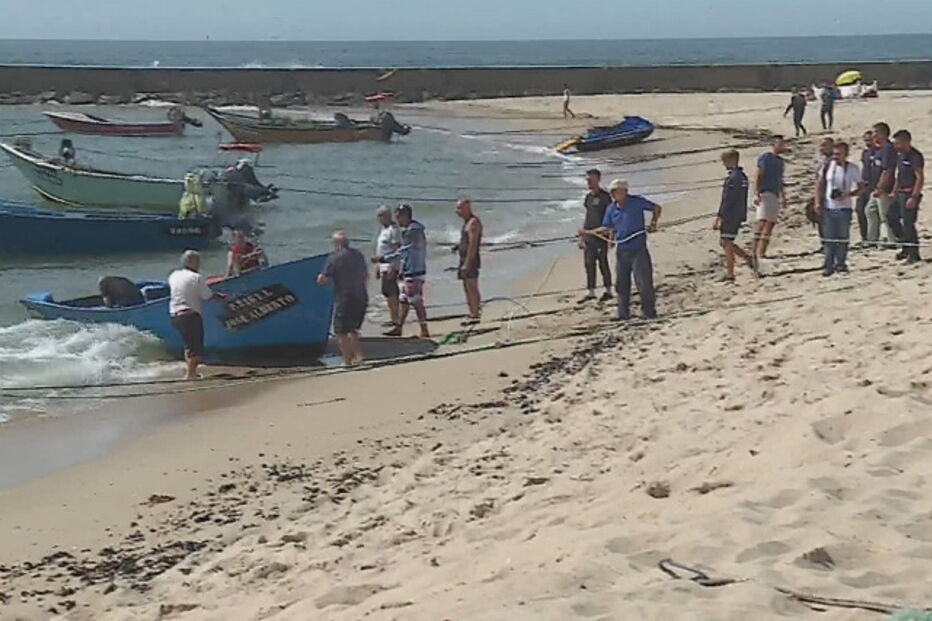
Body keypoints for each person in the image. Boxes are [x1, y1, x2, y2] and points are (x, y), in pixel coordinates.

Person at [586, 179, 661, 321]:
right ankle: (623, 314)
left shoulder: (636, 202)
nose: (615, 194)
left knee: (644, 282)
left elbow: (656, 208)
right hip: (622, 250)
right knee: (621, 284)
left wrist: (653, 223)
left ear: (624, 191)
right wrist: (589, 232)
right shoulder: (611, 208)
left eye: (617, 191)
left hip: (638, 248)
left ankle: (649, 312)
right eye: (613, 192)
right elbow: (607, 227)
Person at [168, 250, 228, 380]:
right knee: (196, 349)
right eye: (198, 261)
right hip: (190, 315)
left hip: (175, 316)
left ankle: (190, 372)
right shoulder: (197, 277)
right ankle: (190, 375)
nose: (199, 264)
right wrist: (221, 297)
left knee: (188, 345)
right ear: (192, 262)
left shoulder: (173, 275)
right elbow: (208, 296)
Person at [375, 204, 429, 338]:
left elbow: (405, 251)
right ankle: (399, 327)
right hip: (410, 269)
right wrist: (402, 268)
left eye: (399, 217)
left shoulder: (412, 231)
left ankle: (424, 329)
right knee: (404, 300)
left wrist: (385, 259)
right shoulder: (412, 229)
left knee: (416, 301)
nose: (398, 220)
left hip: (415, 271)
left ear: (405, 216)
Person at [317, 231, 368, 366]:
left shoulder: (334, 258)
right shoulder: (358, 255)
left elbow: (322, 279)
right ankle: (359, 356)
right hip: (361, 296)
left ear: (336, 244)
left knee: (341, 331)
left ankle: (347, 361)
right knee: (353, 329)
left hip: (345, 297)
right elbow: (365, 275)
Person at [816, 141, 861, 276]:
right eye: (834, 154)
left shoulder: (852, 168)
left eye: (839, 154)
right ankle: (828, 265)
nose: (836, 156)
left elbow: (861, 187)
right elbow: (819, 185)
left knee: (842, 238)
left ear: (846, 155)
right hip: (829, 207)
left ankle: (840, 263)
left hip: (844, 208)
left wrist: (848, 194)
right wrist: (817, 203)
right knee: (829, 238)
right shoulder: (827, 166)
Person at [714, 149, 752, 282]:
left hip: (730, 214)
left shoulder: (733, 179)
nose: (723, 164)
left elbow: (727, 200)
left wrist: (719, 217)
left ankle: (730, 273)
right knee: (726, 241)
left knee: (727, 242)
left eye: (724, 161)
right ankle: (747, 258)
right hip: (738, 213)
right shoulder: (743, 177)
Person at [752, 135, 787, 269]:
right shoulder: (766, 158)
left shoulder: (780, 161)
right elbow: (758, 175)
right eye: (780, 144)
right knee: (761, 222)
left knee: (770, 224)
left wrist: (783, 197)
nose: (782, 146)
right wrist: (756, 193)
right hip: (765, 192)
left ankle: (762, 251)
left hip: (775, 193)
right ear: (773, 144)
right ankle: (754, 251)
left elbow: (780, 180)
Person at [578, 168, 613, 302]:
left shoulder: (605, 197)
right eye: (587, 180)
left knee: (602, 263)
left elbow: (610, 217)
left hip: (601, 235)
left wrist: (611, 236)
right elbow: (587, 217)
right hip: (588, 235)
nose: (588, 182)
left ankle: (608, 290)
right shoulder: (588, 197)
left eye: (591, 180)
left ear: (597, 179)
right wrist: (581, 237)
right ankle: (590, 291)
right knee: (589, 264)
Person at [893, 130, 925, 264]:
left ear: (906, 141)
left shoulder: (915, 156)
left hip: (910, 193)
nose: (896, 146)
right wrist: (894, 191)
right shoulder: (900, 155)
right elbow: (899, 175)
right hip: (900, 192)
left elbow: (920, 177)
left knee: (908, 224)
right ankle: (905, 245)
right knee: (891, 217)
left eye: (898, 143)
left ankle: (914, 253)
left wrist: (914, 196)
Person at [866, 122, 898, 246]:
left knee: (885, 215)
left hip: (885, 188)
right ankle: (872, 239)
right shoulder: (879, 149)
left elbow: (888, 170)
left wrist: (881, 187)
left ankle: (892, 240)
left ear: (882, 133)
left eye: (875, 132)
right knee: (870, 211)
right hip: (875, 188)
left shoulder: (888, 149)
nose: (873, 135)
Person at [453, 199, 483, 325]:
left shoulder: (473, 223)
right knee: (466, 286)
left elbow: (473, 244)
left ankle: (475, 313)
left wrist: (467, 263)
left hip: (470, 259)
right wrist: (458, 246)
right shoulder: (466, 223)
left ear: (467, 208)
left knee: (471, 286)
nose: (457, 211)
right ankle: (472, 310)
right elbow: (465, 241)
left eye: (459, 208)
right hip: (463, 257)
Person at [374, 205, 403, 327]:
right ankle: (393, 317)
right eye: (378, 216)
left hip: (390, 265)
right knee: (386, 292)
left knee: (392, 293)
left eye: (381, 216)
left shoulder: (394, 229)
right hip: (382, 265)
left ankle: (395, 319)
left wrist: (393, 265)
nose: (379, 219)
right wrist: (377, 267)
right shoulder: (383, 230)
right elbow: (381, 249)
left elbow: (398, 248)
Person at [813, 137, 836, 252]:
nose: (821, 148)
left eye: (824, 145)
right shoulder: (823, 160)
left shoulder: (833, 161)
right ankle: (825, 243)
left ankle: (830, 243)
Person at [856, 130, 875, 244]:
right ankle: (864, 237)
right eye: (866, 140)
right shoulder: (865, 153)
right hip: (865, 185)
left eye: (869, 140)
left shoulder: (880, 152)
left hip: (874, 186)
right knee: (860, 210)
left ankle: (872, 237)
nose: (868, 142)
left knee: (871, 212)